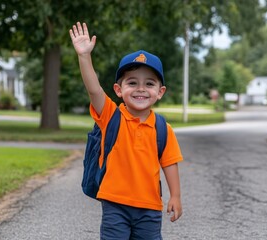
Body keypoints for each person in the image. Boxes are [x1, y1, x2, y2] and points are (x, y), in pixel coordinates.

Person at [69, 22, 183, 240]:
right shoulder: (111, 116)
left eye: (149, 84)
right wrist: (84, 56)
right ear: (119, 90)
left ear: (160, 92)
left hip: (149, 208)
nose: (141, 88)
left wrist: (175, 196)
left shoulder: (163, 129)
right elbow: (93, 89)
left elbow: (169, 163)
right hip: (114, 204)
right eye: (132, 82)